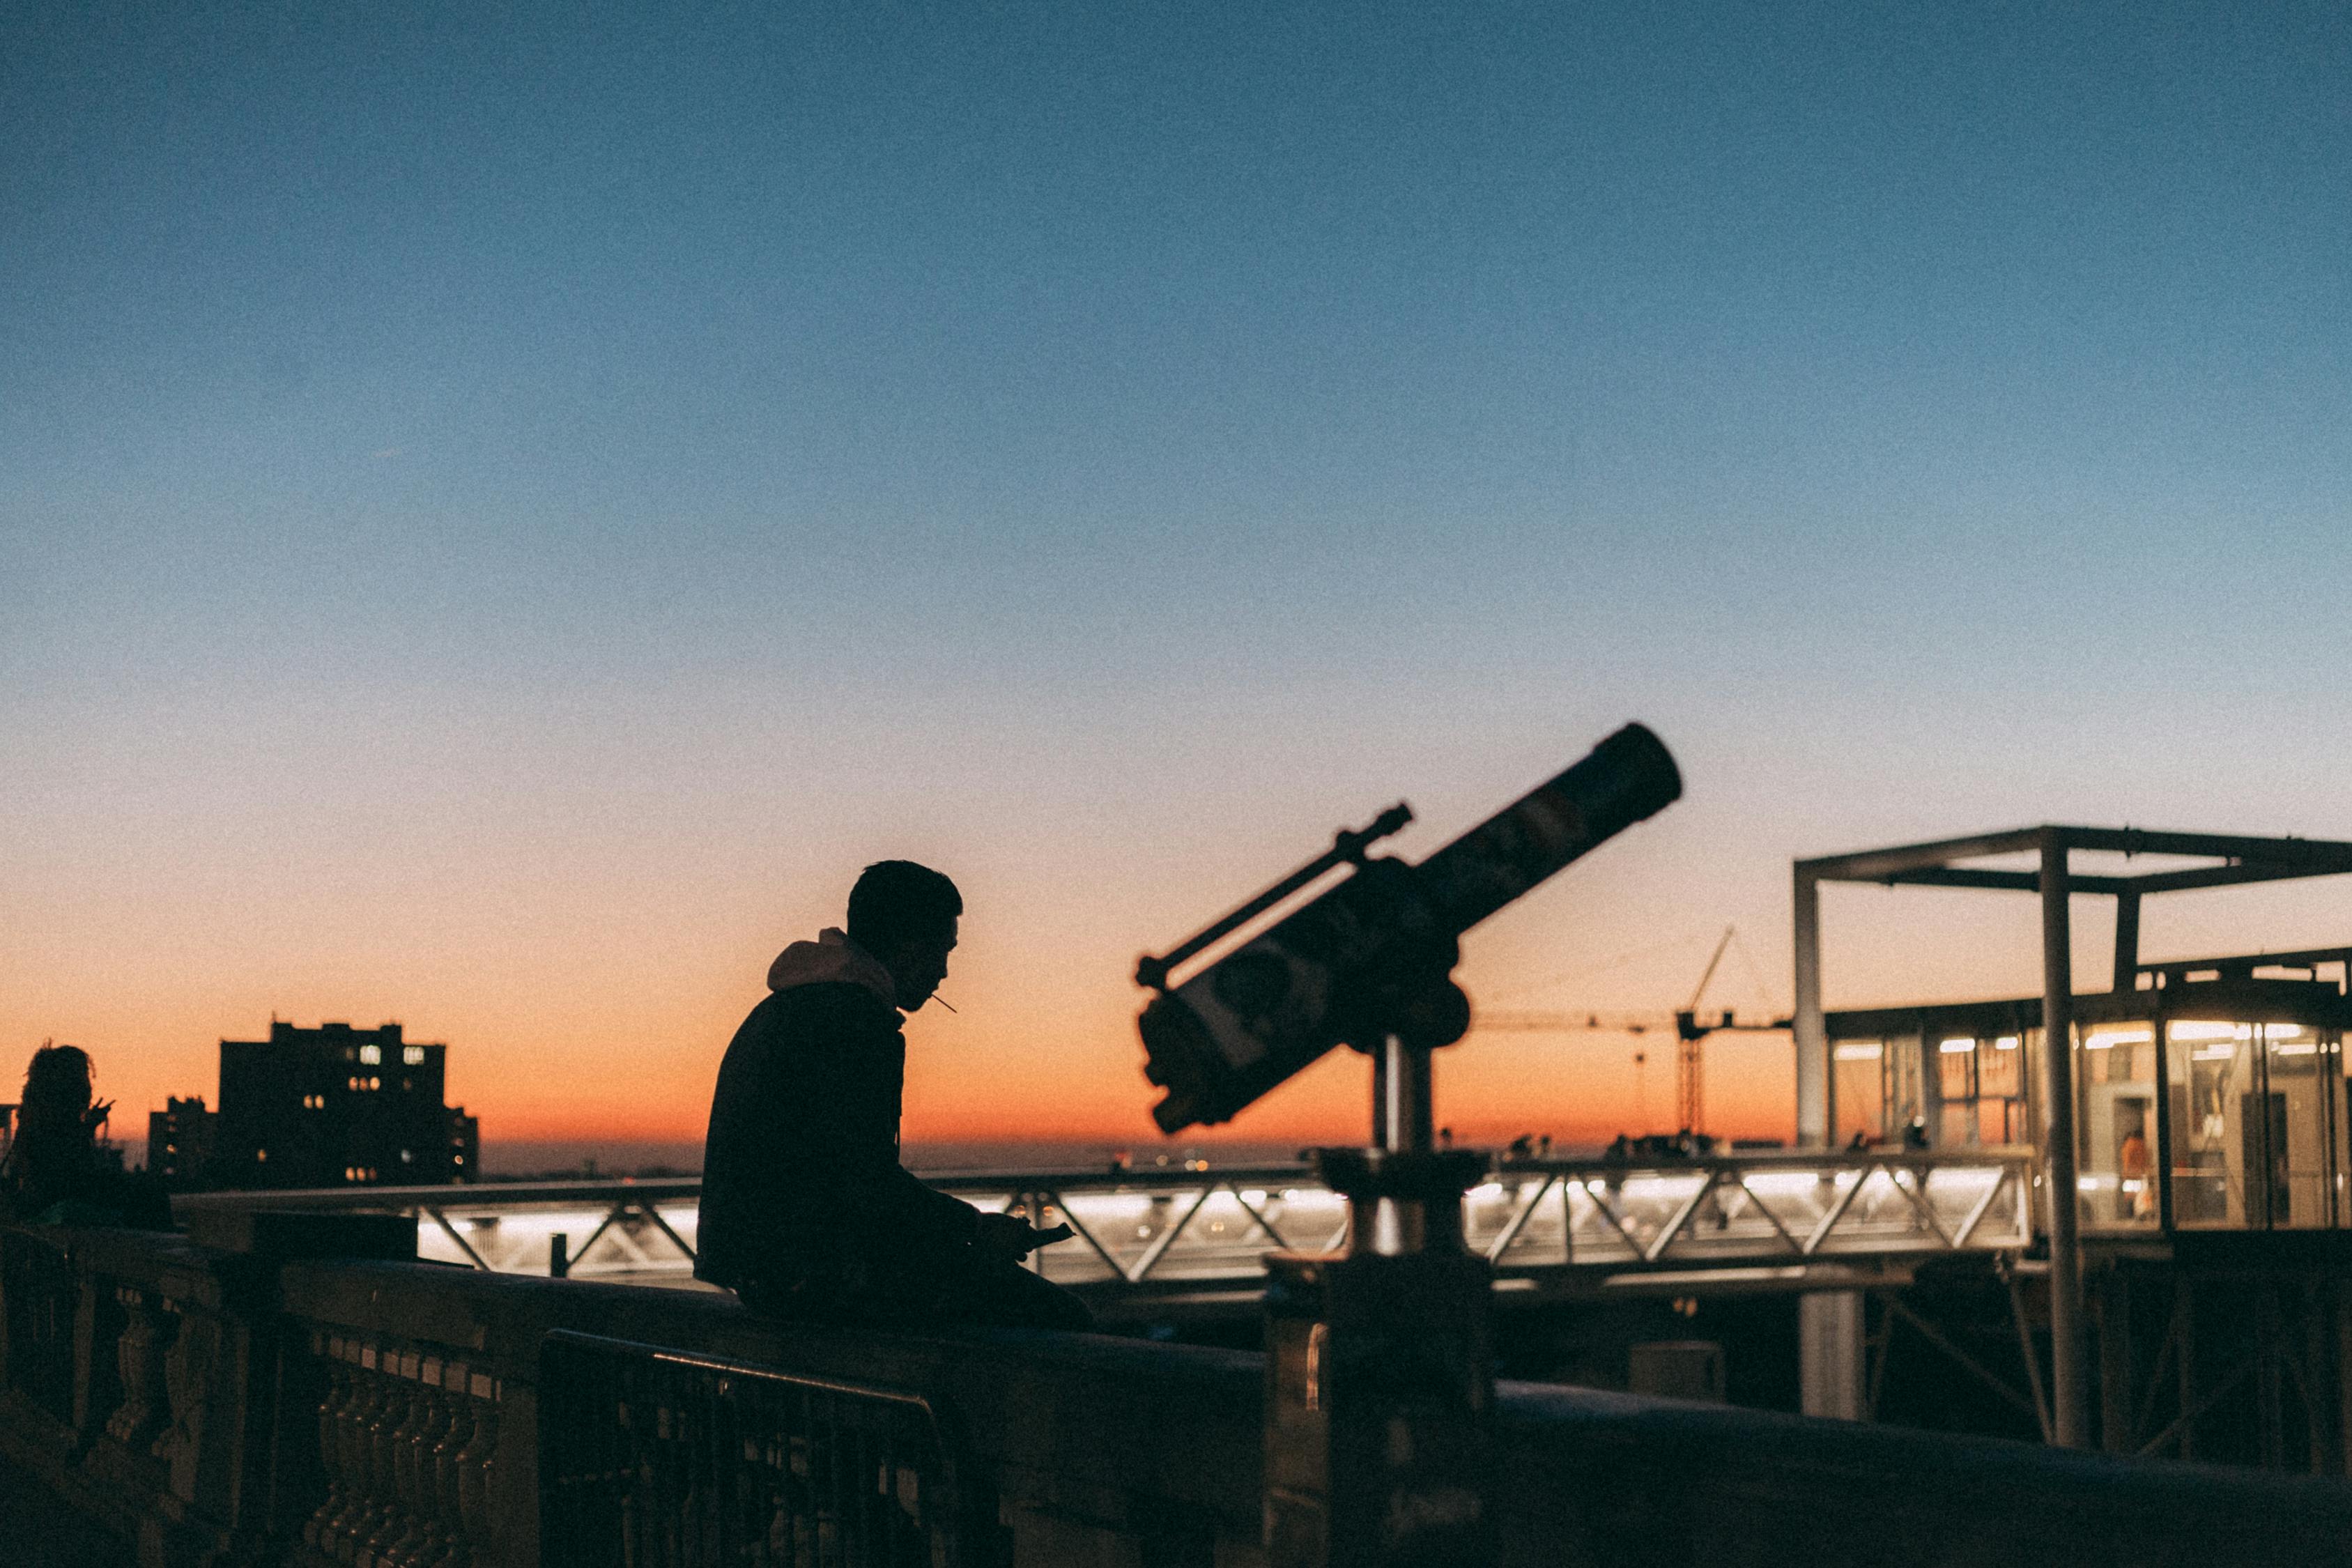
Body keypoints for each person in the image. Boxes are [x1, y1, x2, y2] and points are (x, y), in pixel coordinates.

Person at [695, 861, 1091, 1332]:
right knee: (1061, 1322)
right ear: (908, 948)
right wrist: (975, 1230)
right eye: (941, 952)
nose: (944, 971)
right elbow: (864, 1181)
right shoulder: (854, 1021)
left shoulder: (789, 1006)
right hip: (813, 1272)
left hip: (760, 1268)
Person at [0, 1045, 169, 1228]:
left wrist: (88, 1125)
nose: (88, 1085)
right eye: (83, 1077)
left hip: (54, 1194)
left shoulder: (37, 1113)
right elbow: (65, 1164)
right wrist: (88, 1126)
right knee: (152, 1195)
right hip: (59, 1197)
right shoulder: (52, 1116)